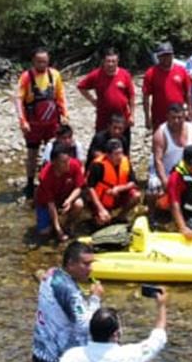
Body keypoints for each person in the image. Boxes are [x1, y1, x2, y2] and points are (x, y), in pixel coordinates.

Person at [16, 48, 70, 199]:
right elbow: (18, 100)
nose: (42, 64)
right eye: (39, 61)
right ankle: (29, 183)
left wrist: (65, 115)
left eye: (45, 61)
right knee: (32, 154)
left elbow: (60, 96)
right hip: (33, 125)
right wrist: (23, 121)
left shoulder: (55, 75)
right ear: (33, 61)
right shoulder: (26, 77)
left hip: (52, 123)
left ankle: (50, 181)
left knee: (52, 153)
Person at [36, 131, 89, 243]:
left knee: (79, 204)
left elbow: (79, 187)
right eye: (63, 162)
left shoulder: (74, 165)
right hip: (46, 202)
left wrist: (69, 201)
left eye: (67, 161)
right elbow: (50, 204)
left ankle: (69, 224)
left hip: (66, 197)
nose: (67, 165)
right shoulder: (45, 176)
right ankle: (54, 224)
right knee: (44, 232)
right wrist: (58, 230)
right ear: (54, 162)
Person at [77, 50, 136, 136]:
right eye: (108, 61)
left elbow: (131, 95)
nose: (110, 64)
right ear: (103, 61)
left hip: (122, 117)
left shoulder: (125, 74)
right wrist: (92, 100)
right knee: (101, 144)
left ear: (118, 61)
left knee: (123, 145)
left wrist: (132, 115)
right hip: (103, 118)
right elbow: (81, 87)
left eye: (113, 61)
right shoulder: (96, 74)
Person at [85, 137, 140, 226]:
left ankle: (120, 217)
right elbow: (90, 187)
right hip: (102, 198)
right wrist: (100, 209)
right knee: (102, 221)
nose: (119, 157)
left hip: (119, 194)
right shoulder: (97, 165)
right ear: (108, 155)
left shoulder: (125, 161)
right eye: (116, 154)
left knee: (136, 196)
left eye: (121, 153)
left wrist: (119, 189)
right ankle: (97, 216)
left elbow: (133, 182)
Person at [150, 103, 192, 200]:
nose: (176, 121)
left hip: (186, 171)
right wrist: (164, 181)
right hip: (165, 173)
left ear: (184, 117)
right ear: (167, 117)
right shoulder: (160, 134)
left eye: (179, 118)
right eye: (173, 118)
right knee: (156, 188)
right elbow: (158, 161)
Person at [141, 43, 192, 131]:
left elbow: (188, 93)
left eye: (168, 55)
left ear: (172, 55)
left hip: (178, 115)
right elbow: (146, 97)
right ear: (158, 57)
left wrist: (190, 110)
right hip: (159, 115)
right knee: (160, 141)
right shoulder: (151, 73)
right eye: (162, 55)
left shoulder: (181, 71)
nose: (166, 58)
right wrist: (147, 117)